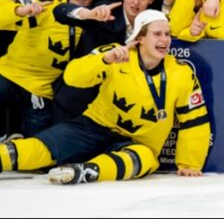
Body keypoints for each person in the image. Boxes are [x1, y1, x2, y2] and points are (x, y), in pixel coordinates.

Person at [0, 10, 211, 185]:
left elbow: (195, 120)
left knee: (144, 158)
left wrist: (190, 164)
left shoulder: (182, 72)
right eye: (157, 34)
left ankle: (86, 171)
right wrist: (104, 60)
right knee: (42, 147)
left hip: (136, 142)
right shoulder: (115, 53)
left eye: (167, 34)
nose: (164, 40)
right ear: (140, 38)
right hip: (93, 127)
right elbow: (72, 76)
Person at [0, 0, 102, 137]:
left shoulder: (97, 18)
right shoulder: (47, 2)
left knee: (39, 142)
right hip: (9, 74)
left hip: (43, 91)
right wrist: (19, 10)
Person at [52, 0, 157, 122]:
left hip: (112, 109)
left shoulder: (152, 23)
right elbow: (60, 12)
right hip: (76, 99)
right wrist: (88, 14)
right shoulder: (106, 10)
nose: (135, 2)